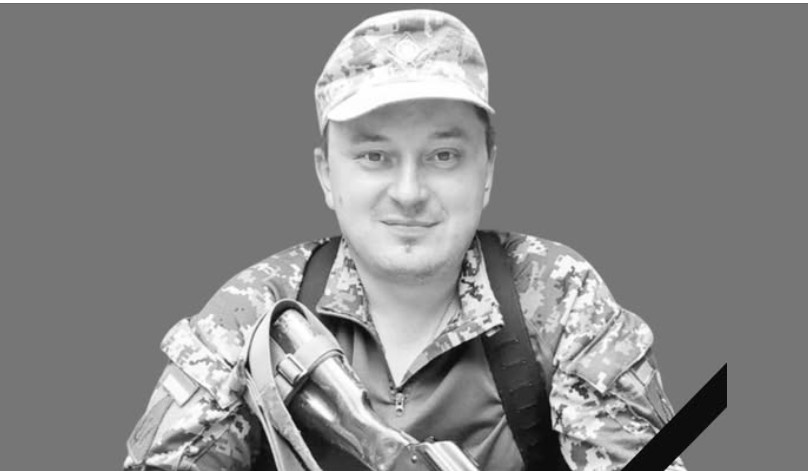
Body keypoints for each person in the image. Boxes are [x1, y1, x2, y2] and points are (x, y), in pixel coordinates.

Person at [123, 9, 686, 471]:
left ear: (488, 170)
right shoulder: (254, 315)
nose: (410, 192)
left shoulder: (558, 298)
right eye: (375, 156)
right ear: (326, 175)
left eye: (443, 155)